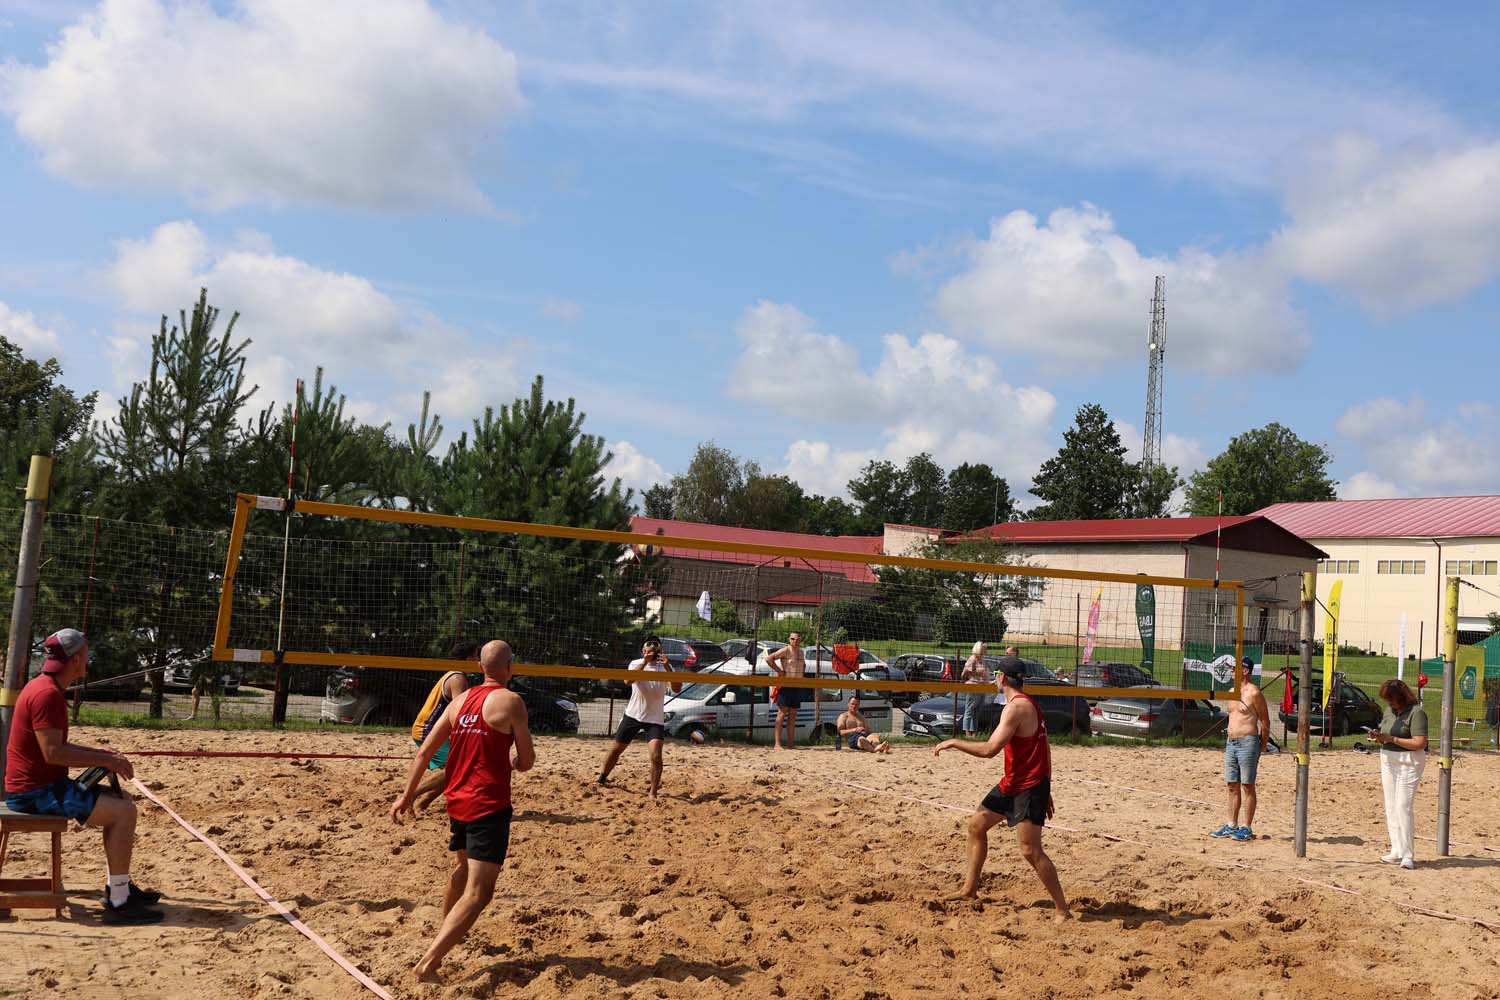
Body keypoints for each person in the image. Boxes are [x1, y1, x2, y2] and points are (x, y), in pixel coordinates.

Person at [390, 639, 534, 983]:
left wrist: (405, 797)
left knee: (462, 868)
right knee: (479, 892)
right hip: (488, 804)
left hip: (457, 800)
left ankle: (447, 931)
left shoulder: (460, 701)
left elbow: (424, 753)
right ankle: (428, 964)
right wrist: (514, 761)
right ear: (510, 667)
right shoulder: (512, 701)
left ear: (480, 667)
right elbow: (527, 761)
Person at [4, 628, 162, 924]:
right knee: (124, 813)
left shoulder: (43, 686)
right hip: (34, 794)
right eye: (86, 654)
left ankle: (119, 887)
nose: (88, 659)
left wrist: (102, 755)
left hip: (39, 786)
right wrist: (106, 759)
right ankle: (119, 903)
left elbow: (54, 749)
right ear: (76, 659)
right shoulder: (47, 694)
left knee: (123, 799)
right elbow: (53, 752)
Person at [934, 656, 1071, 922]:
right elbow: (1045, 749)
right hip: (1015, 782)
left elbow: (989, 750)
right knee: (976, 826)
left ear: (1002, 677)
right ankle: (969, 890)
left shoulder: (1017, 707)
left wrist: (954, 742)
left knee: (1030, 850)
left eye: (996, 673)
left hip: (1029, 786)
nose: (994, 677)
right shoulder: (1028, 703)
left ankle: (1062, 910)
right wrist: (1048, 786)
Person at [596, 636, 682, 796]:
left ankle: (653, 793)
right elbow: (628, 680)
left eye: (656, 648)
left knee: (656, 755)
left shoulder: (667, 667)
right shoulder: (636, 664)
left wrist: (667, 666)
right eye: (649, 648)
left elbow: (677, 688)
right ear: (643, 651)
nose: (652, 650)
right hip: (633, 715)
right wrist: (644, 662)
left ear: (660, 651)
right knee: (616, 750)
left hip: (654, 719)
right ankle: (602, 778)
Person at [410, 640, 480, 811]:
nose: (479, 661)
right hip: (426, 729)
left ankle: (423, 803)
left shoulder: (454, 674)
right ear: (469, 659)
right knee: (458, 766)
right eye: (477, 656)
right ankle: (411, 795)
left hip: (429, 728)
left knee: (458, 768)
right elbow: (460, 714)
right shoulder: (457, 678)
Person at [1370, 678, 1427, 869]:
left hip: (1408, 761)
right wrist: (1378, 736)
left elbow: (1420, 743)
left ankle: (1408, 854)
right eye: (1387, 699)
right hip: (1388, 758)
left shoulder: (1416, 713)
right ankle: (1396, 849)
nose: (1389, 702)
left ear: (1401, 697)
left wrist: (1392, 738)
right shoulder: (1389, 711)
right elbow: (1385, 732)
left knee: (1403, 806)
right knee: (1391, 805)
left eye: (1391, 699)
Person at [1211, 656, 1269, 843]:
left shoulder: (1254, 693)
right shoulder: (1231, 691)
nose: (1231, 671)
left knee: (1247, 785)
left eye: (1234, 668)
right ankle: (1231, 824)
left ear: (1245, 671)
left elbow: (1265, 721)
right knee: (1232, 785)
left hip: (1248, 742)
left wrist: (1262, 746)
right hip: (1231, 743)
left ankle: (1246, 827)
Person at [766, 631, 808, 750]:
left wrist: (802, 676)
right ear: (789, 639)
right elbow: (769, 659)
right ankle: (777, 744)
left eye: (797, 639)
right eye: (793, 639)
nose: (795, 641)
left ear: (800, 640)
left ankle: (790, 744)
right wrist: (779, 671)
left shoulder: (801, 652)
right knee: (781, 713)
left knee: (793, 716)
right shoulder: (785, 650)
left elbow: (803, 665)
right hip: (786, 685)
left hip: (797, 686)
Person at [960, 641, 990, 736]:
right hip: (973, 686)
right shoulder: (972, 658)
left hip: (983, 687)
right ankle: (967, 733)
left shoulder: (982, 659)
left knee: (977, 711)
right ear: (978, 649)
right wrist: (978, 672)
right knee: (969, 710)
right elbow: (964, 673)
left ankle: (974, 733)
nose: (985, 650)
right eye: (983, 648)